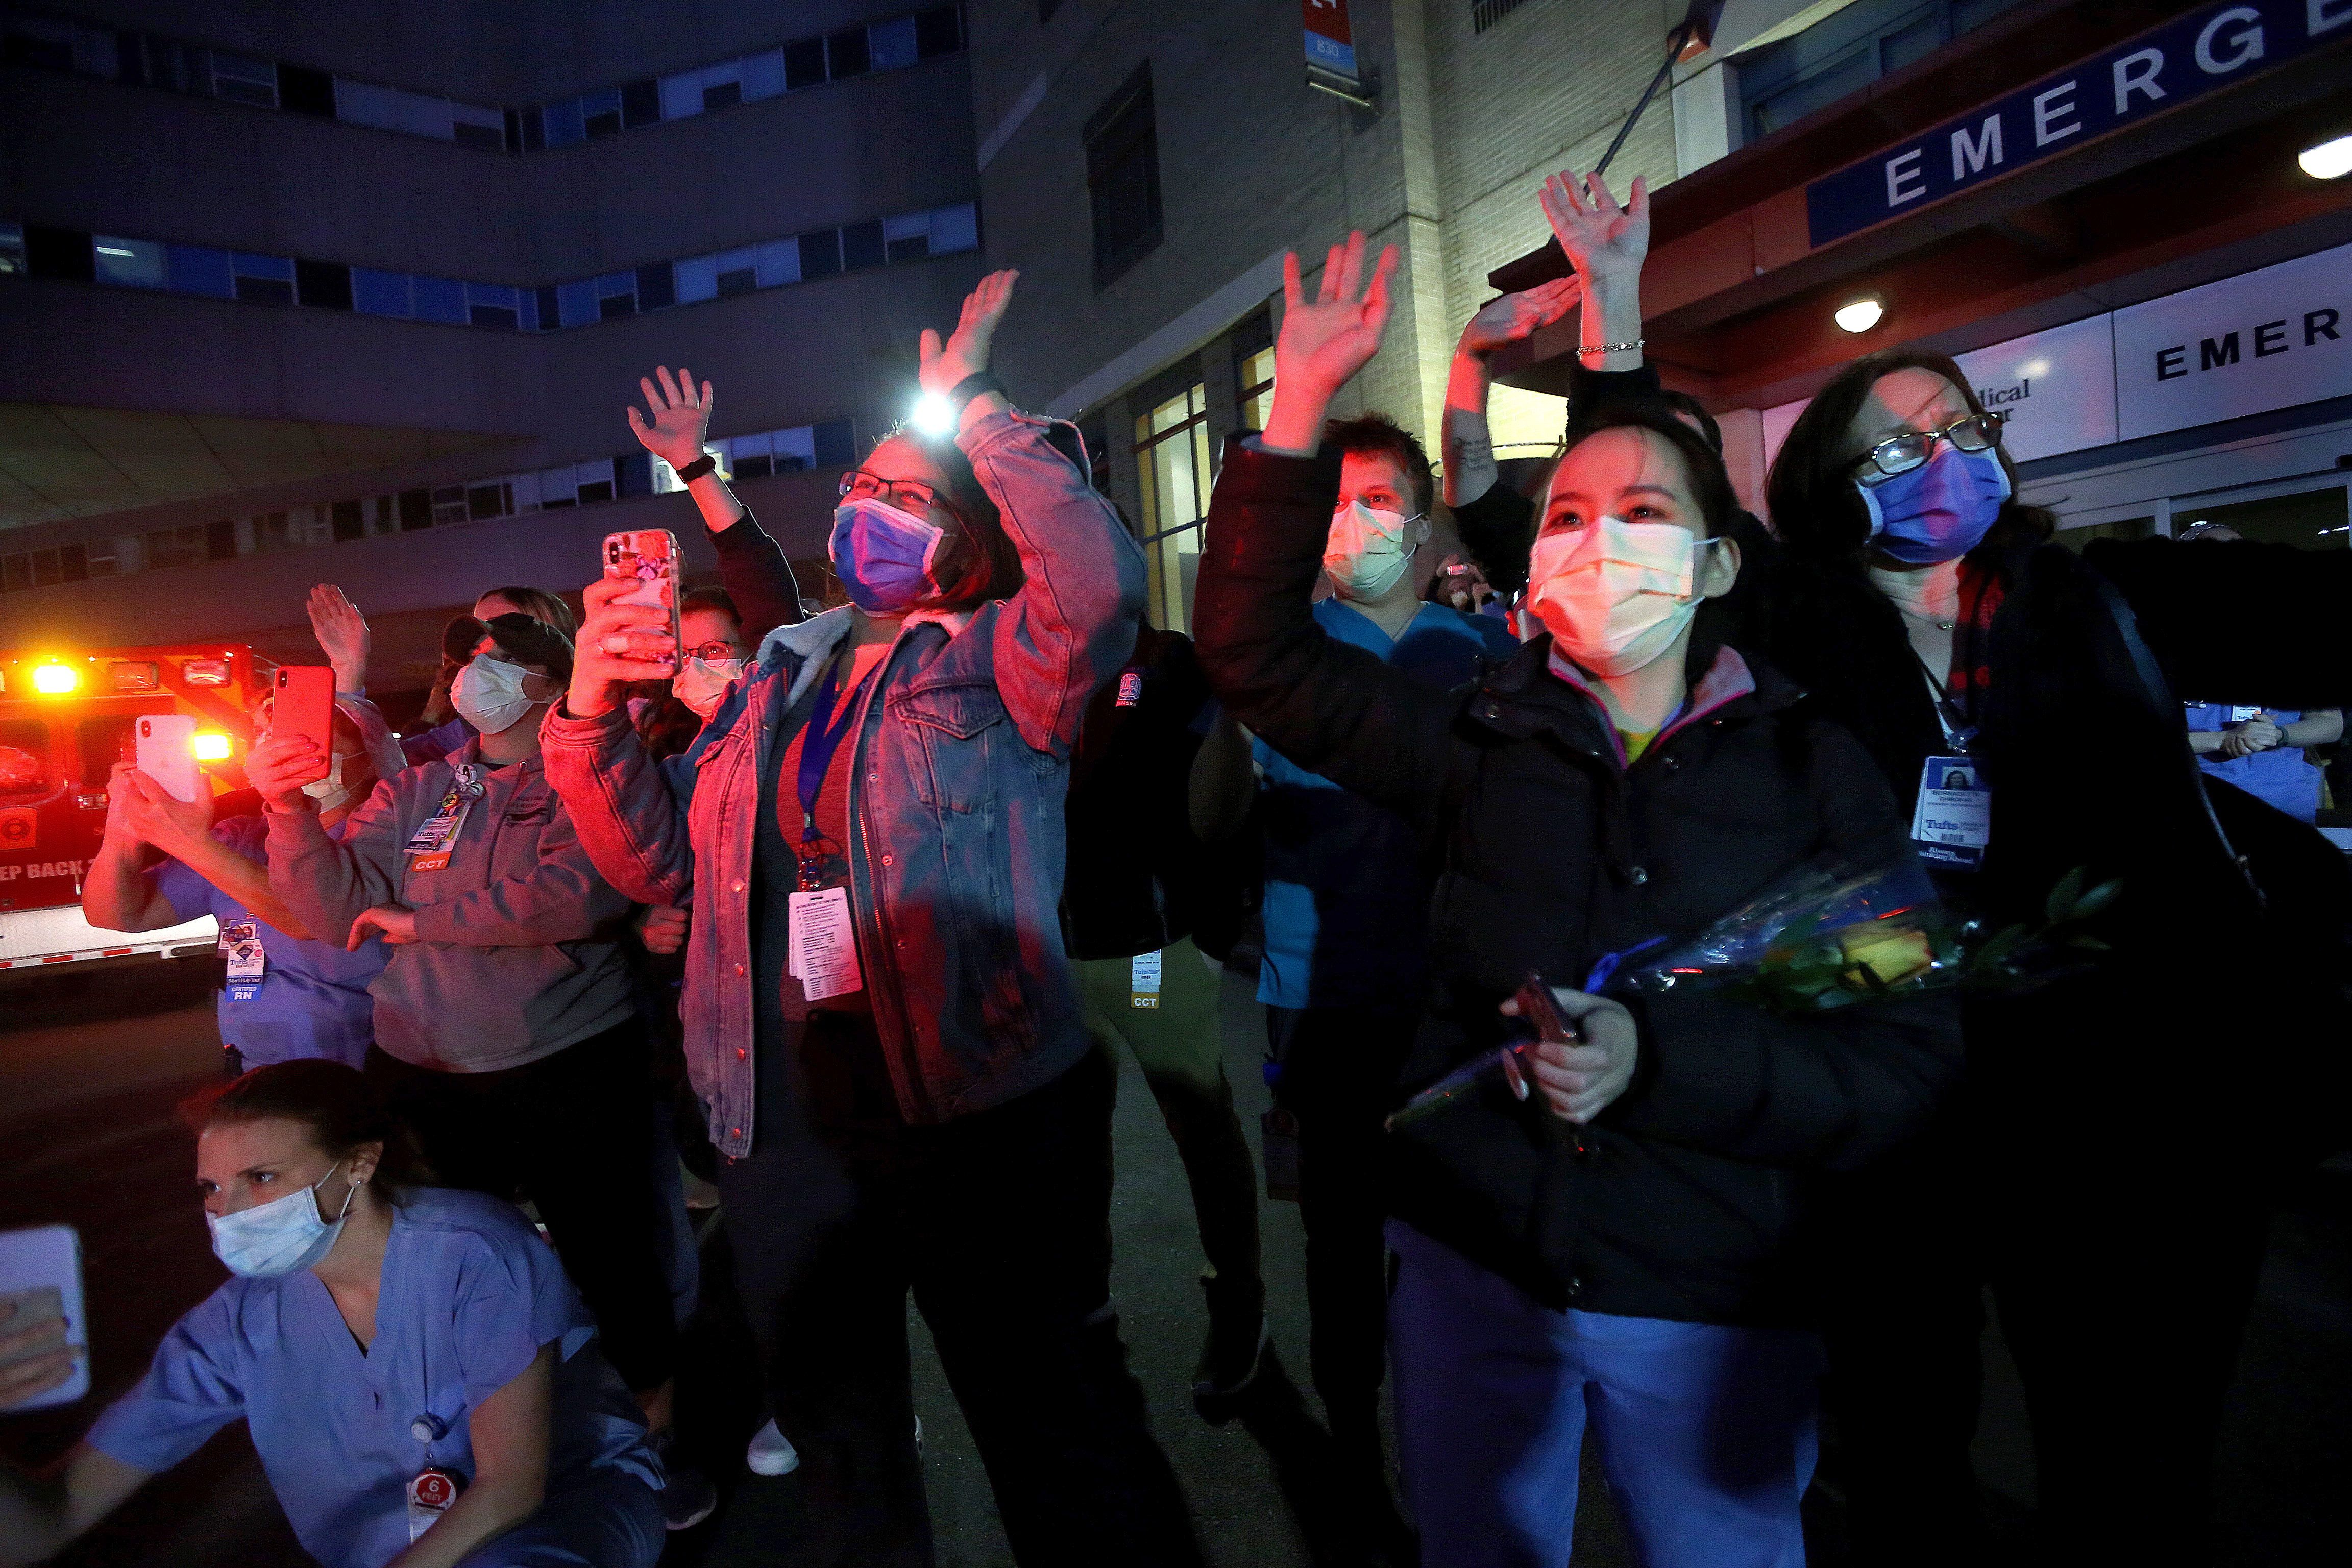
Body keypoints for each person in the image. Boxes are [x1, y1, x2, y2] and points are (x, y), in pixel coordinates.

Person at [1192, 229, 1960, 1568]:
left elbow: (1903, 1052)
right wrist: (1297, 405)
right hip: (1473, 1277)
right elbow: (1254, 652)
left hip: (1713, 1301)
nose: (1602, 541)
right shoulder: (1473, 740)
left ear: (1722, 568)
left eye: (1649, 515)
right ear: (1532, 571)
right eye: (1567, 516)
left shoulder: (1815, 771)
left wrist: (1657, 1064)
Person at [546, 273, 1199, 1566]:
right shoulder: (775, 670)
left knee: (1058, 1435)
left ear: (966, 534)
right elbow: (654, 862)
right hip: (786, 1119)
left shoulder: (1002, 655)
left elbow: (1096, 579)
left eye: (906, 496)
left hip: (976, 1109)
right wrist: (588, 708)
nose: (863, 510)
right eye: (859, 487)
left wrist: (976, 407)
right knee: (843, 1446)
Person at [1749, 342, 2352, 1564]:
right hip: (1908, 1124)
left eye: (1964, 427)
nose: (1945, 457)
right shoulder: (1799, 643)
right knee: (1905, 1450)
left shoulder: (2100, 596)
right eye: (1900, 443)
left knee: (2131, 1469)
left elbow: (2320, 614)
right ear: (1830, 483)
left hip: (2142, 1122)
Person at [243, 615, 701, 1531]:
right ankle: (472, 1458)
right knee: (437, 1267)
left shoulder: (592, 778)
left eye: (499, 659)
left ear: (547, 682)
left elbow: (577, 893)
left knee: (613, 1255)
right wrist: (287, 809)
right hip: (424, 1065)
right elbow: (331, 905)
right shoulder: (419, 787)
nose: (473, 673)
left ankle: (653, 1442)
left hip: (564, 1058)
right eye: (465, 659)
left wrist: (416, 921)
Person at [0, 1060, 662, 1568]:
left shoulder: (473, 1250)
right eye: (210, 1187)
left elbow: (510, 1489)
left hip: (558, 1512)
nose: (227, 1211)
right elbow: (49, 1523)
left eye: (261, 1178)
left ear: (360, 1164)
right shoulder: (239, 1326)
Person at [1250, 407, 1515, 1527]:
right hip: (1323, 998)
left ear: (1421, 522)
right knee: (1343, 1242)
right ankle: (1355, 1443)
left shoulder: (1482, 653)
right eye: (1334, 502)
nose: (1354, 523)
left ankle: (1462, 1450)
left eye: (1378, 500)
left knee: (1466, 1237)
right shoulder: (1280, 661)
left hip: (1459, 994)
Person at [82, 695, 402, 1074]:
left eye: (306, 740)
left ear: (369, 757)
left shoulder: (390, 836)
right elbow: (117, 914)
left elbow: (310, 918)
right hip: (256, 1066)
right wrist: (124, 827)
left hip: (364, 1067)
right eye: (266, 736)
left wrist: (188, 841)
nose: (277, 752)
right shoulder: (240, 840)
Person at [404, 589, 577, 767]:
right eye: (474, 656)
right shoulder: (450, 748)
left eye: (510, 628)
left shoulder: (586, 754)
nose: (482, 666)